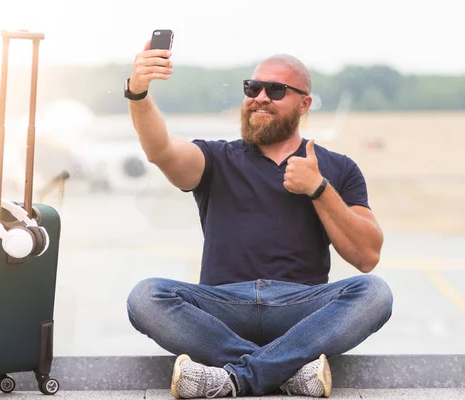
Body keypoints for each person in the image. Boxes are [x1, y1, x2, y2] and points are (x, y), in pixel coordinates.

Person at [124, 39, 393, 399]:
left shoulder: (338, 168)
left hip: (300, 308)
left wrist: (319, 189)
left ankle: (233, 378)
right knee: (146, 296)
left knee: (376, 294)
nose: (260, 97)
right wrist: (138, 93)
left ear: (304, 103)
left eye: (276, 90)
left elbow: (367, 255)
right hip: (222, 308)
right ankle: (284, 372)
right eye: (253, 88)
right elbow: (160, 149)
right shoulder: (216, 158)